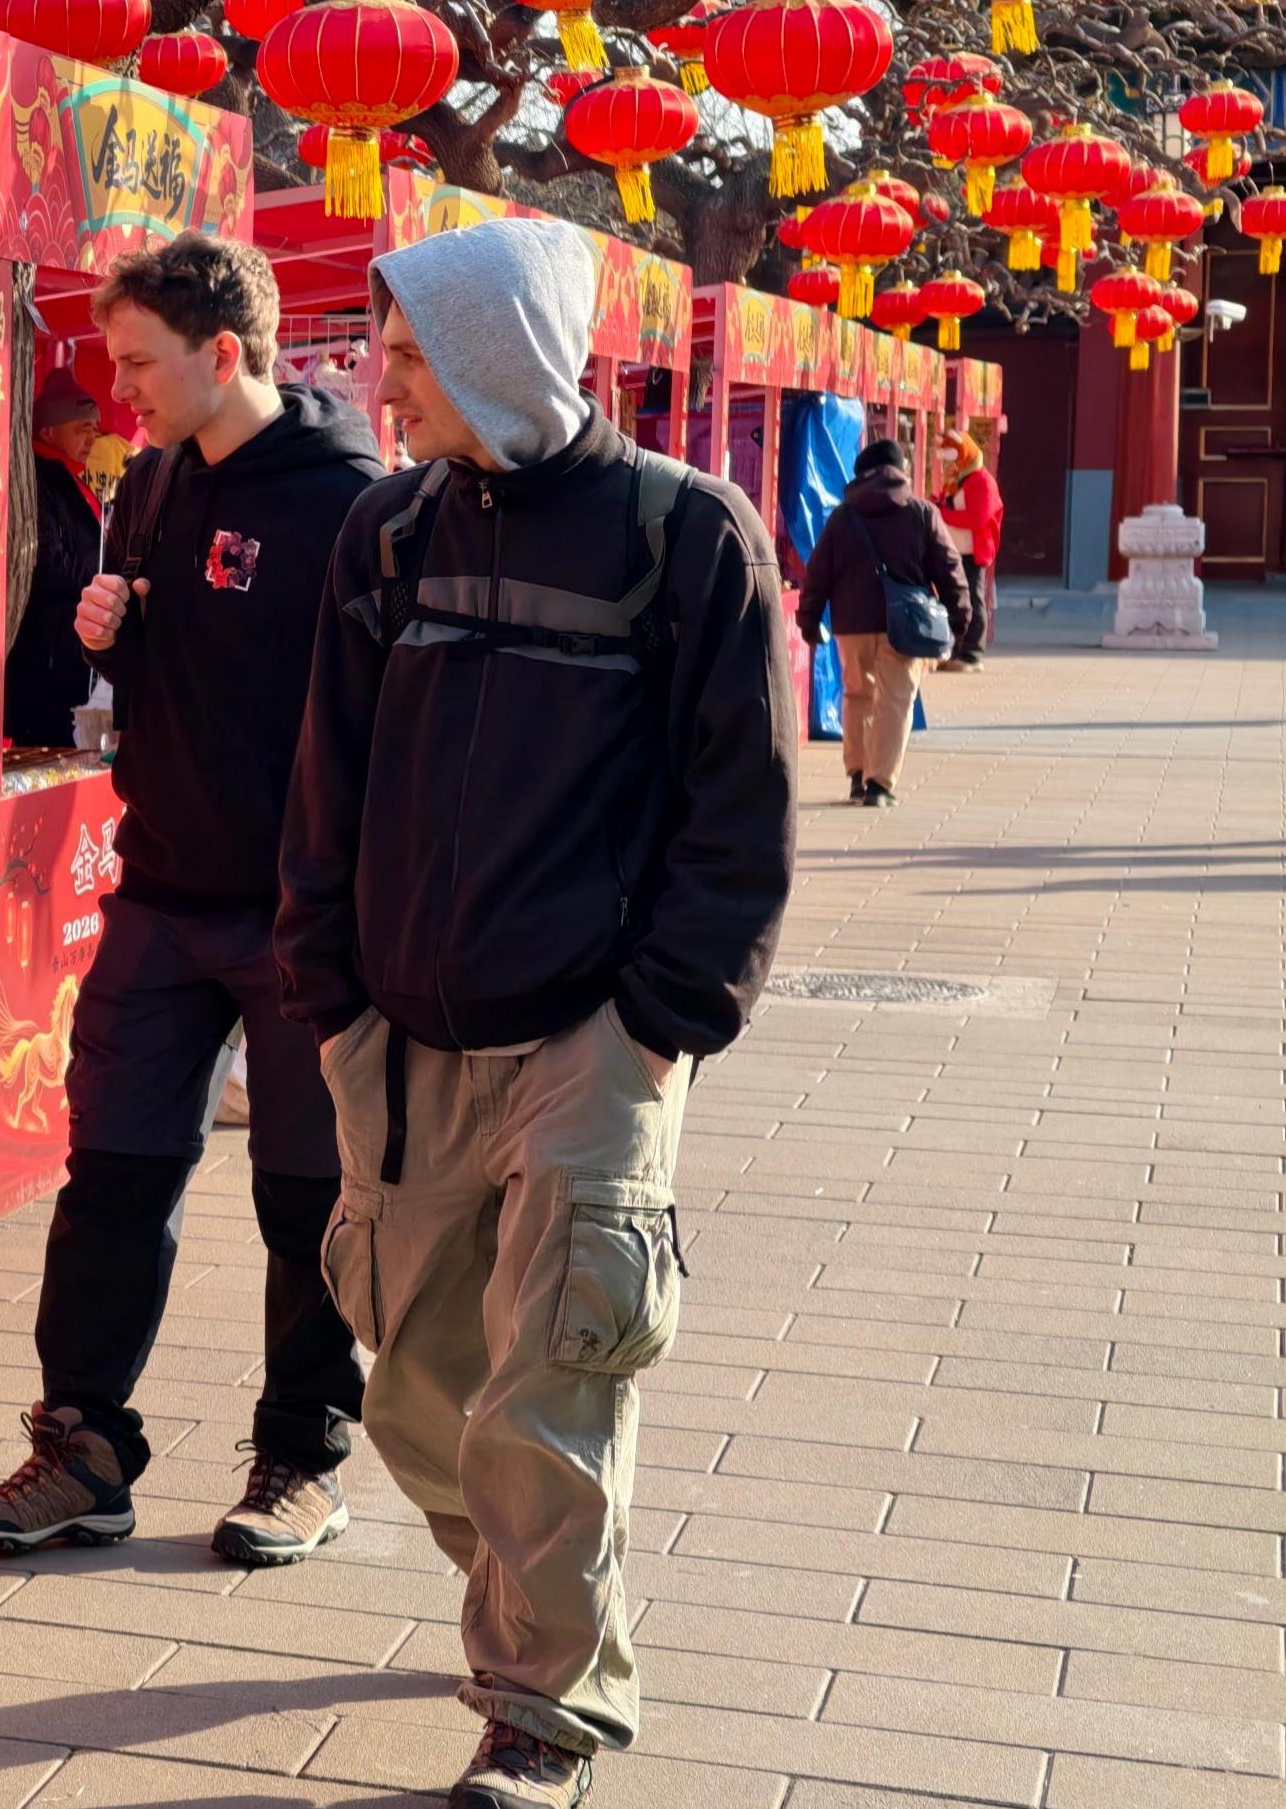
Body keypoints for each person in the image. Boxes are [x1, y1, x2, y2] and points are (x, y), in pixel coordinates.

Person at [277, 214, 794, 1809]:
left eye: (410, 356)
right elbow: (325, 782)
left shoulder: (687, 536)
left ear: (496, 353)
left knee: (553, 1383)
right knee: (415, 1388)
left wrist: (658, 1018)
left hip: (594, 1041)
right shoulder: (383, 534)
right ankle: (530, 1596)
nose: (383, 382)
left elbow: (741, 815)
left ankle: (541, 1704)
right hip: (400, 1034)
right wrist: (330, 997)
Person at [0, 236, 383, 1566]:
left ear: (222, 352)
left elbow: (381, 716)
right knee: (112, 1174)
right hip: (160, 887)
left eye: (138, 361)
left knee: (307, 1196)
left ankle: (300, 1457)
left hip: (305, 911)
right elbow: (156, 669)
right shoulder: (148, 481)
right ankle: (82, 1450)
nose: (118, 387)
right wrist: (110, 634)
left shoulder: (350, 500)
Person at [796, 438, 969, 806]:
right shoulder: (921, 513)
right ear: (900, 471)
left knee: (857, 695)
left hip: (852, 625)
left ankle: (857, 776)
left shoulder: (844, 516)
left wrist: (809, 618)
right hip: (905, 625)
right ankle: (879, 785)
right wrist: (959, 620)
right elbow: (950, 569)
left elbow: (818, 573)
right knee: (895, 700)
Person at [1, 374, 106, 749]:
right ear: (48, 432)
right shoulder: (34, 479)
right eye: (81, 429)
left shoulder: (69, 477)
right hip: (46, 649)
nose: (91, 439)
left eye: (94, 429)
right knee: (48, 747)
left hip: (71, 644)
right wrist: (105, 583)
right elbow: (45, 562)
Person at [934, 431, 1004, 668]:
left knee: (973, 599)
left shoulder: (982, 481)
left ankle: (972, 653)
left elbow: (978, 519)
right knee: (954, 599)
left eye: (954, 460)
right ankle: (955, 650)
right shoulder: (959, 480)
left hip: (973, 551)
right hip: (954, 548)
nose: (951, 466)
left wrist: (943, 514)